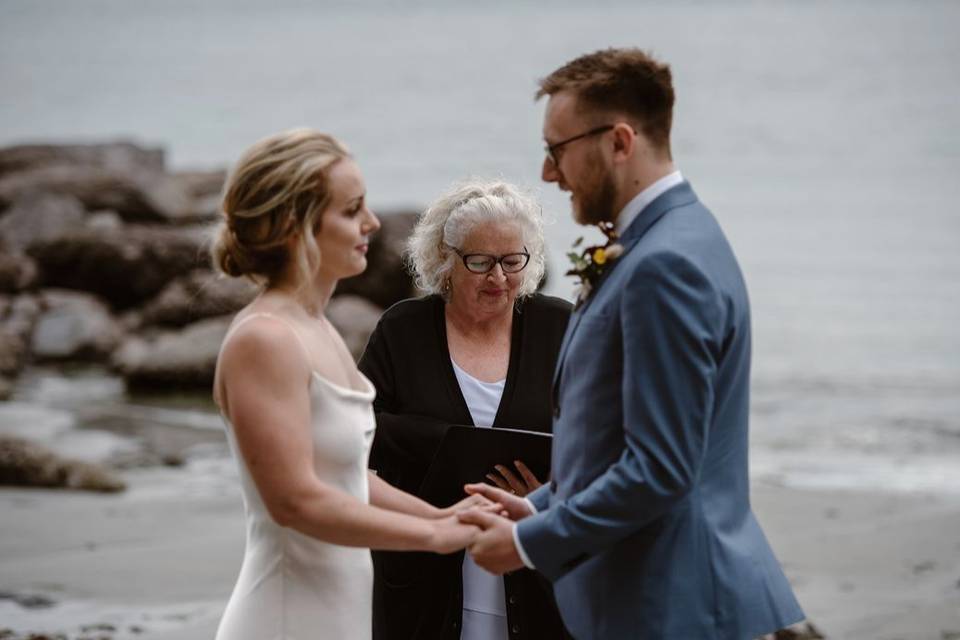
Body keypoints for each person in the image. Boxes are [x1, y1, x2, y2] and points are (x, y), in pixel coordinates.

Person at [459, 49, 806, 639]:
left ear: (620, 141)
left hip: (674, 604)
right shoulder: (678, 234)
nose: (548, 173)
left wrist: (527, 542)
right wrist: (541, 506)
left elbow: (661, 468)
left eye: (556, 149)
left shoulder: (665, 264)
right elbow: (617, 440)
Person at [209, 129, 491, 640]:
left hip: (342, 614)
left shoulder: (317, 327)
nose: (372, 223)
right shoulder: (264, 339)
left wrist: (444, 515)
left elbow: (348, 479)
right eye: (351, 209)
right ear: (295, 225)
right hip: (286, 616)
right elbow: (296, 502)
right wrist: (433, 535)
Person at [358, 179, 573, 640]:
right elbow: (356, 433)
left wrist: (548, 496)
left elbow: (606, 438)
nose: (498, 278)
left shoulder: (561, 326)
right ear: (445, 259)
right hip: (424, 579)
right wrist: (449, 448)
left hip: (538, 579)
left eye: (513, 261)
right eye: (480, 262)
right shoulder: (403, 329)